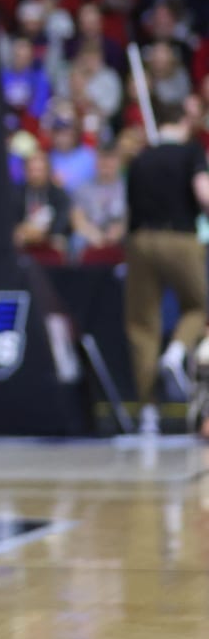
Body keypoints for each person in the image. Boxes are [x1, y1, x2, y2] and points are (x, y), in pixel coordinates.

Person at [123, 103, 209, 435]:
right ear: (183, 122)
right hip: (180, 237)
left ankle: (147, 414)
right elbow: (203, 194)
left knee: (142, 324)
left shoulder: (141, 158)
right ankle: (175, 353)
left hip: (140, 240)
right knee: (198, 305)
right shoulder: (191, 152)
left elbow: (128, 210)